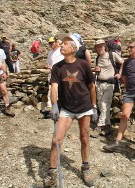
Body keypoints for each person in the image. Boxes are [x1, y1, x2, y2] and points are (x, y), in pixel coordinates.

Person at [44, 34, 97, 187]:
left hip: (84, 107)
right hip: (66, 108)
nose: (61, 46)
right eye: (61, 44)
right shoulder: (57, 67)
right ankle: (52, 174)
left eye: (65, 44)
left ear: (74, 49)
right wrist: (54, 105)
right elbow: (54, 87)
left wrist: (94, 107)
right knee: (56, 140)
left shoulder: (83, 65)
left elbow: (91, 87)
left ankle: (85, 169)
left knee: (84, 138)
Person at [103, 41, 135, 152]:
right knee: (124, 115)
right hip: (129, 92)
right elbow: (124, 77)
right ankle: (117, 142)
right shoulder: (127, 62)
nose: (128, 49)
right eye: (128, 47)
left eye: (131, 47)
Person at [90, 39, 124, 138]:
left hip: (109, 84)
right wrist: (97, 70)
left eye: (101, 46)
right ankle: (108, 125)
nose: (99, 48)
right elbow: (98, 71)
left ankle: (99, 126)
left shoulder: (112, 55)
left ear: (104, 46)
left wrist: (119, 74)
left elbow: (123, 62)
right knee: (101, 105)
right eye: (97, 47)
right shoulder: (98, 58)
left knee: (105, 105)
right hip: (99, 83)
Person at [0, 34, 15, 117]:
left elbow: (3, 62)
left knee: (4, 91)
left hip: (0, 73)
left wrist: (4, 72)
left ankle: (7, 108)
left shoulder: (1, 51)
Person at [45, 36, 64, 110]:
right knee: (51, 90)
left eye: (52, 42)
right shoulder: (50, 52)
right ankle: (50, 106)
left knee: (60, 90)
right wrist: (47, 66)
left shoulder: (61, 50)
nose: (51, 44)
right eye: (50, 43)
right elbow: (48, 63)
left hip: (60, 73)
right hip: (52, 73)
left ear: (56, 42)